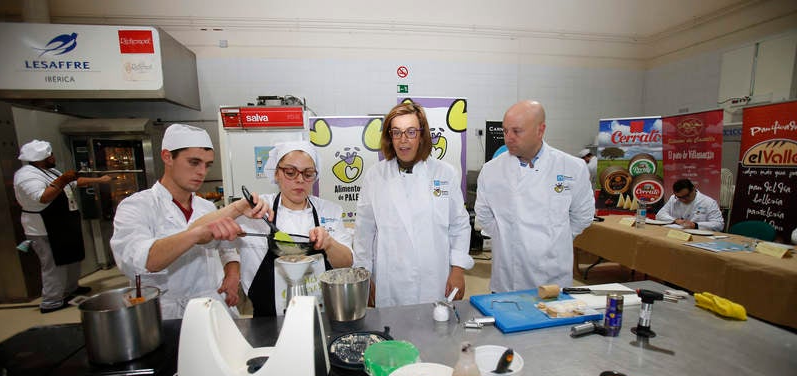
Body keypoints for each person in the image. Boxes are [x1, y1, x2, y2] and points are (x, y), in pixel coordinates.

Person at [191, 141, 353, 316]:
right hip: (267, 321)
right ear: (276, 174)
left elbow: (346, 263)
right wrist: (236, 209)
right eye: (290, 172)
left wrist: (328, 243)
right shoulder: (256, 210)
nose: (300, 180)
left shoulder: (329, 211)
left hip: (322, 316)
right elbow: (194, 234)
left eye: (308, 174)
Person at [111, 124, 254, 319]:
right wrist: (195, 234)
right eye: (194, 162)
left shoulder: (206, 207)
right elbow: (146, 260)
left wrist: (232, 274)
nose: (202, 172)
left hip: (213, 306)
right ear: (167, 157)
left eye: (207, 164)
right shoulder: (136, 207)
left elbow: (227, 250)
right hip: (166, 314)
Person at [354, 102, 474, 307]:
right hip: (390, 280)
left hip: (434, 278)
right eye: (397, 132)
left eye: (411, 132)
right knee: (393, 332)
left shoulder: (444, 173)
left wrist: (457, 270)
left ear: (422, 135)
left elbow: (459, 225)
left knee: (434, 331)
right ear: (389, 137)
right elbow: (364, 231)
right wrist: (364, 276)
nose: (403, 140)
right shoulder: (375, 176)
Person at [475, 100, 595, 292]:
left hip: (552, 278)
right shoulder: (491, 170)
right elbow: (483, 214)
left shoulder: (572, 168)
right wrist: (509, 238)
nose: (508, 137)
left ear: (540, 130)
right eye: (505, 131)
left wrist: (555, 240)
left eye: (517, 131)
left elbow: (583, 216)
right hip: (507, 277)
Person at [13, 140, 111, 313]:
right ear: (41, 158)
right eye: (50, 155)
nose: (53, 157)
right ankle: (51, 301)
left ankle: (70, 289)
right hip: (44, 228)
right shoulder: (27, 175)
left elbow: (74, 182)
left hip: (62, 224)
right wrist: (63, 179)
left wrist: (99, 180)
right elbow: (43, 197)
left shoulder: (49, 171)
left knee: (72, 258)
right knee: (53, 265)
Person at [655, 178, 724, 232]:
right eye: (679, 197)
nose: (683, 200)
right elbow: (659, 215)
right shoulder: (673, 198)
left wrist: (696, 225)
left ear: (693, 189)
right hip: (675, 233)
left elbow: (719, 225)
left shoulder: (708, 202)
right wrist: (675, 220)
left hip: (698, 236)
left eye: (686, 196)